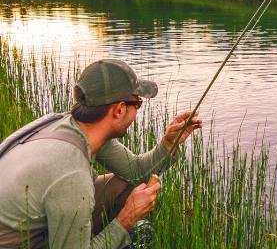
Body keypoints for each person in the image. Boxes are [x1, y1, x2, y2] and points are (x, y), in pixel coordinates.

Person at [0, 59, 201, 248]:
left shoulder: (70, 126)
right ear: (119, 110)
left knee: (125, 184)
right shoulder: (72, 174)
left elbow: (137, 172)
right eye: (137, 104)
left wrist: (168, 143)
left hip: (31, 222)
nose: (137, 111)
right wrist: (127, 218)